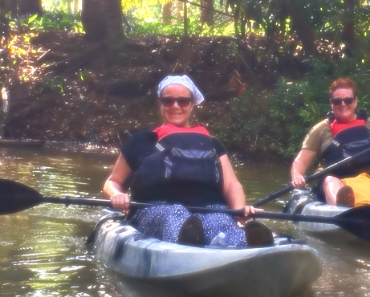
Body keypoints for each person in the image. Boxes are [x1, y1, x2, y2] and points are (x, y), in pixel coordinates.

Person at [103, 74, 272, 247]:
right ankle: (189, 242)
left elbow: (231, 185)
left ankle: (245, 244)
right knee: (175, 215)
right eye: (168, 101)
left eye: (183, 101)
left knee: (220, 220)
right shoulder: (140, 141)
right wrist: (117, 195)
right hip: (154, 208)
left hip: (208, 209)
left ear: (191, 105)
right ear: (160, 103)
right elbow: (113, 181)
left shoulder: (211, 143)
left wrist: (238, 212)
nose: (175, 106)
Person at [290, 77, 370, 206]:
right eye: (337, 101)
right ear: (331, 104)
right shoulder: (320, 130)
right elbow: (301, 161)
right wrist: (297, 176)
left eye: (348, 100)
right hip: (338, 181)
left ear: (355, 102)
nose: (343, 105)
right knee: (329, 180)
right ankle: (344, 208)